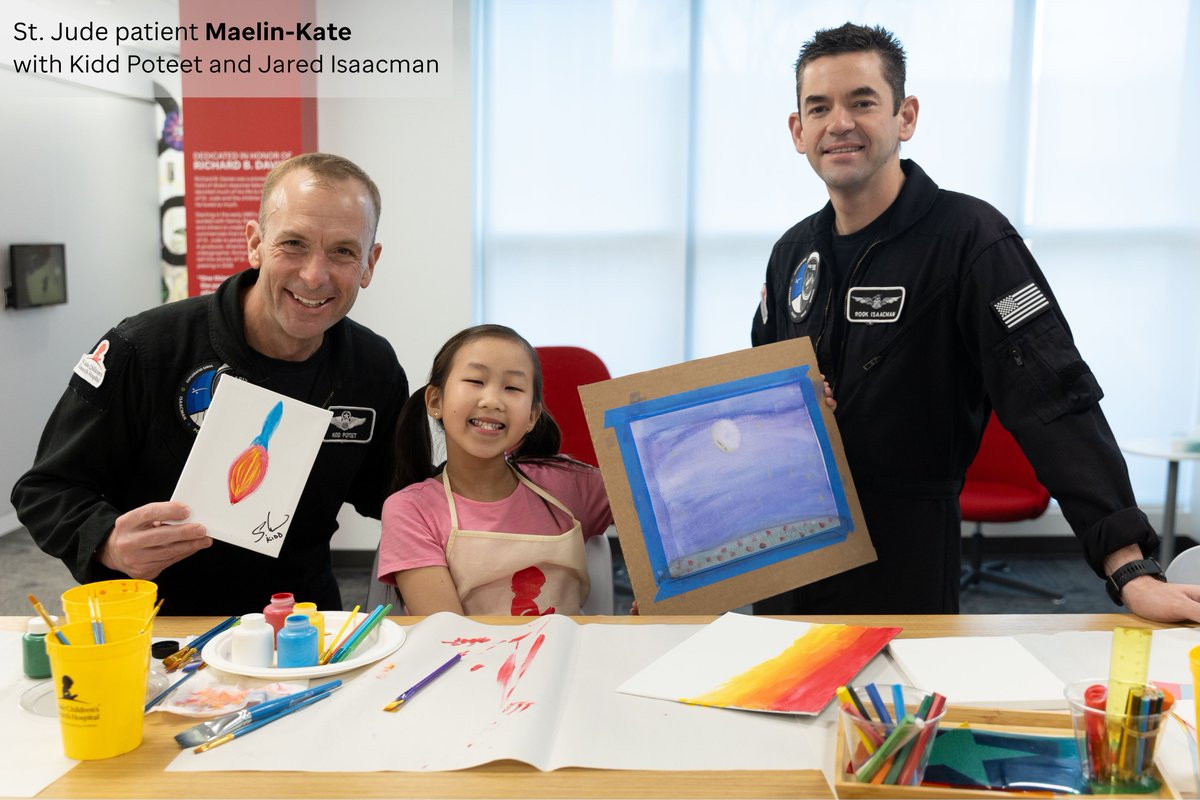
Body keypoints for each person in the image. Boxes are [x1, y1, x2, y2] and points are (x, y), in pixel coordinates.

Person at [751, 23, 1200, 621]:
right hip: (789, 546)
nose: (840, 123)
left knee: (899, 687)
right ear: (797, 130)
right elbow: (756, 399)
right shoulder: (791, 254)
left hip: (903, 555)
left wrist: (1130, 567)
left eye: (862, 102)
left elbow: (1053, 398)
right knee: (774, 682)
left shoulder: (969, 240)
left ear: (905, 117)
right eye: (819, 108)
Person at [11, 153, 408, 615]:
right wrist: (106, 540)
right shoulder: (146, 349)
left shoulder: (372, 367)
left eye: (342, 251)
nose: (314, 275)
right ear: (256, 244)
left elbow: (395, 492)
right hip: (161, 624)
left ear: (369, 264)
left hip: (301, 624)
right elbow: (45, 489)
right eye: (293, 244)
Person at [377, 324, 612, 616]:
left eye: (512, 388)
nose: (492, 401)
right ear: (436, 401)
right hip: (464, 647)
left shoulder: (570, 484)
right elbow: (445, 630)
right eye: (476, 381)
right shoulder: (411, 510)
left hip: (569, 646)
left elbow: (656, 498)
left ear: (532, 416)